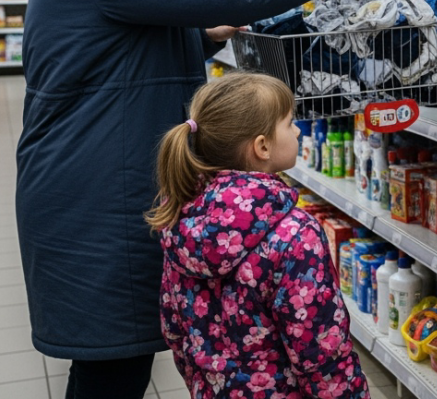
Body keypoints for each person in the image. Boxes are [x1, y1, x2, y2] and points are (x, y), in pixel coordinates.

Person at [12, 0, 383, 399]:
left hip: (92, 171)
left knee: (113, 363)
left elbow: (113, 55)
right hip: (95, 188)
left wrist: (199, 36)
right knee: (112, 368)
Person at [148, 73, 370, 398]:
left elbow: (174, 327)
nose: (298, 130)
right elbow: (321, 354)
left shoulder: (180, 218)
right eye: (289, 123)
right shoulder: (296, 236)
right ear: (262, 146)